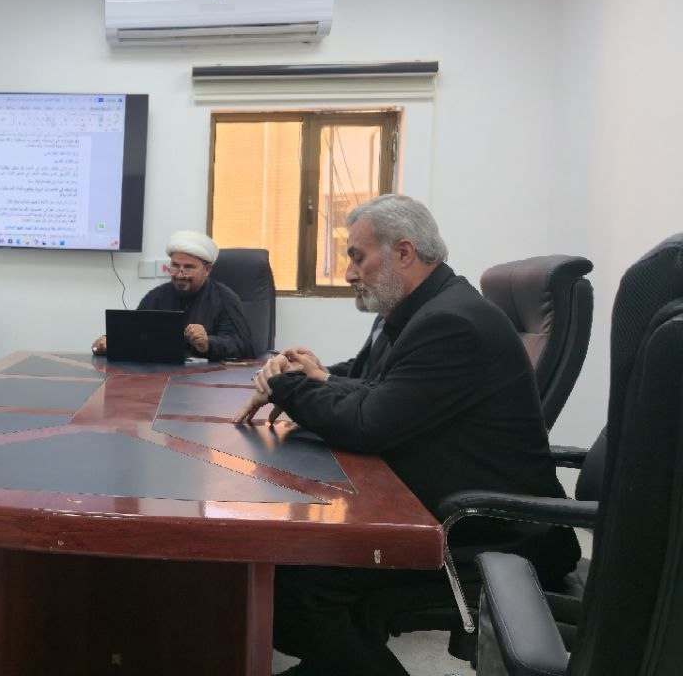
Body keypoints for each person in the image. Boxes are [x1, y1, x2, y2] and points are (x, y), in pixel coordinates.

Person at [233, 195, 579, 676]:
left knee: (290, 581)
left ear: (403, 252)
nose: (349, 273)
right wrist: (311, 376)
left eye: (357, 257)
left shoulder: (450, 323)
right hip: (443, 505)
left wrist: (286, 387)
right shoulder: (417, 311)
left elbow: (367, 424)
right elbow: (373, 385)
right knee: (294, 569)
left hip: (494, 529)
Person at [92, 230, 255, 360]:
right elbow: (133, 334)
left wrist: (208, 343)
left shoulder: (225, 298)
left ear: (207, 270)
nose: (180, 274)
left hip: (206, 380)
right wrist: (106, 342)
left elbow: (241, 346)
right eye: (175, 266)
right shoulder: (156, 296)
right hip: (160, 376)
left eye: (188, 267)